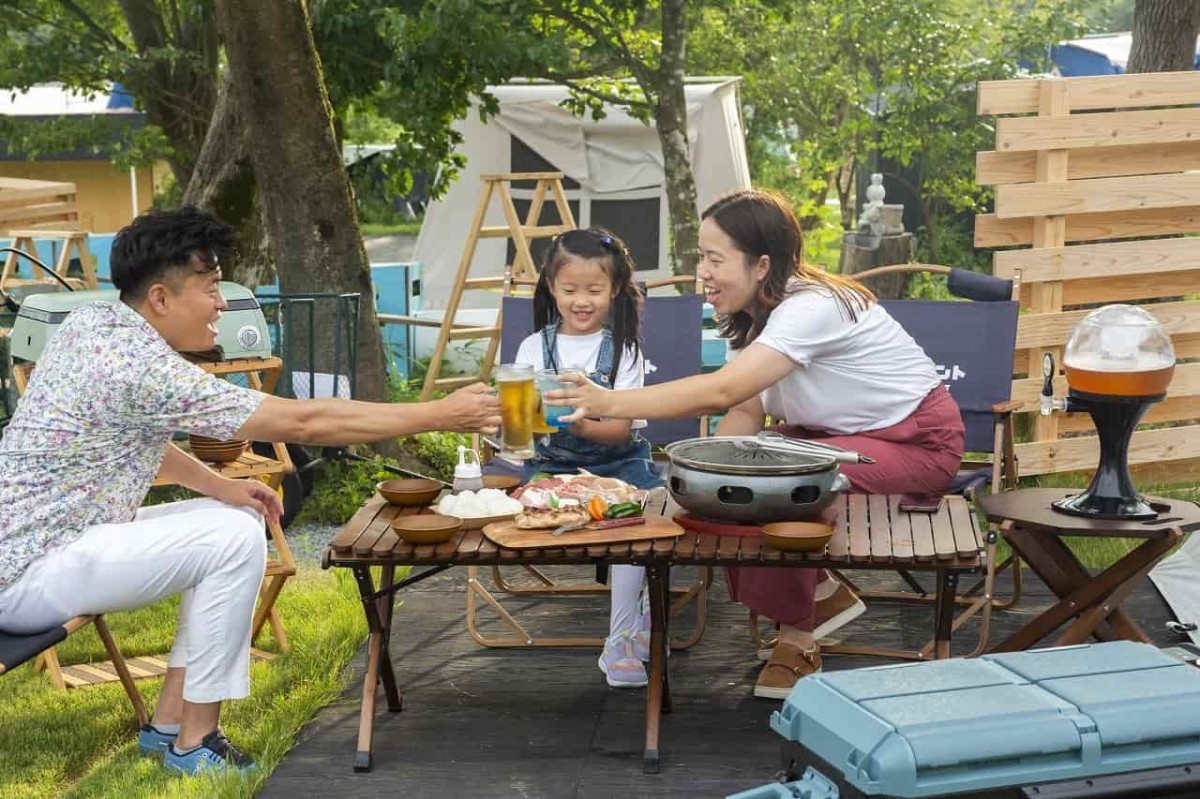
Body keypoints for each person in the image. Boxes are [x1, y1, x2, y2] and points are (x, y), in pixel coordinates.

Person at [0, 207, 500, 775]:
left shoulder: (94, 326)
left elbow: (130, 438)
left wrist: (222, 486)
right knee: (232, 541)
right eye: (211, 288)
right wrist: (439, 412)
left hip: (45, 548)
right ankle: (195, 743)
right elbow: (305, 423)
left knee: (234, 522)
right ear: (160, 298)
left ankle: (169, 729)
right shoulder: (138, 365)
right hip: (30, 572)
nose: (222, 303)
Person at [550, 189, 965, 700]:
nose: (701, 270)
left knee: (780, 488)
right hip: (826, 438)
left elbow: (722, 391)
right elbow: (745, 408)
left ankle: (798, 639)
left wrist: (609, 402)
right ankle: (823, 595)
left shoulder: (812, 307)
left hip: (914, 441)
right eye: (700, 256)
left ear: (761, 263)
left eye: (714, 258)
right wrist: (707, 477)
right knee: (728, 490)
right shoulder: (751, 314)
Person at [513, 227, 660, 689]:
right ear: (551, 288)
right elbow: (520, 422)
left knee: (640, 523)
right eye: (570, 289)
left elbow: (619, 430)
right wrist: (527, 415)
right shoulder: (534, 348)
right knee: (527, 509)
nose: (582, 300)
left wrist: (575, 419)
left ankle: (623, 635)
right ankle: (636, 624)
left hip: (620, 464)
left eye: (594, 290)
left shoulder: (624, 350)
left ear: (614, 291)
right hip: (556, 468)